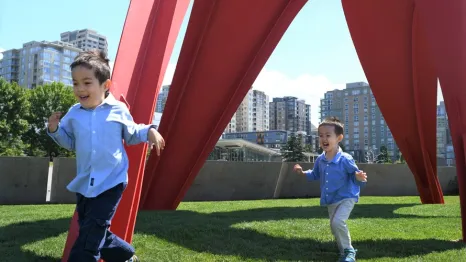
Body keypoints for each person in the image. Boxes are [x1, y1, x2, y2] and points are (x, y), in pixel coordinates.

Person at [47, 50, 165, 262]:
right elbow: (69, 142)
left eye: (86, 82)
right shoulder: (73, 113)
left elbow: (132, 133)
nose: (80, 89)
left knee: (89, 239)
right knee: (93, 228)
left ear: (105, 85)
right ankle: (126, 256)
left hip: (112, 181)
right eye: (75, 83)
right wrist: (55, 130)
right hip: (85, 183)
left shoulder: (118, 110)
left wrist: (150, 130)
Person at [293, 117, 367, 262]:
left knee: (338, 222)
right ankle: (343, 252)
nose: (323, 139)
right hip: (331, 199)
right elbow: (315, 174)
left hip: (347, 197)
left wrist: (359, 178)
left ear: (339, 138)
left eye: (328, 135)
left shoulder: (345, 159)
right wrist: (302, 173)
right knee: (334, 227)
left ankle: (349, 251)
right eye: (320, 135)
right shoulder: (320, 159)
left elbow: (357, 178)